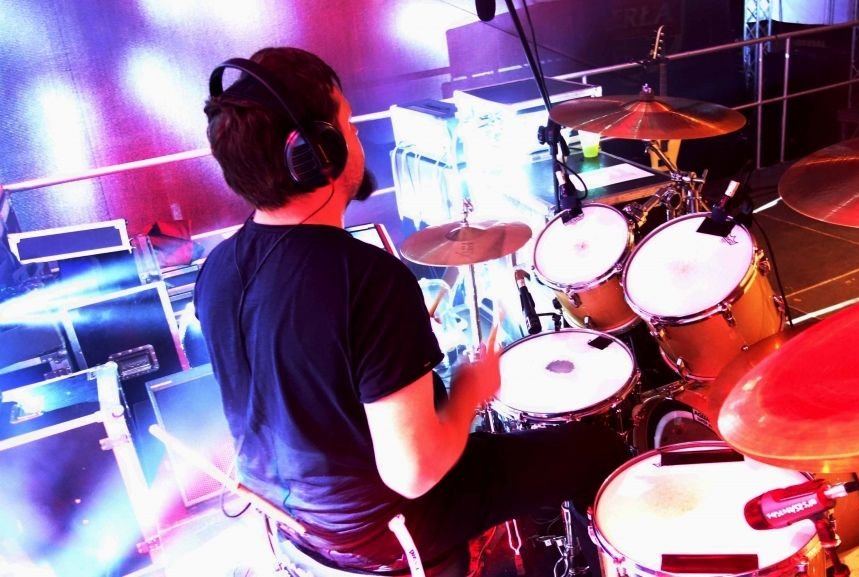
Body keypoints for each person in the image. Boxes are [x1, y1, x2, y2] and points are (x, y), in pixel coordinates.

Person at [194, 47, 630, 574]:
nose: (357, 138)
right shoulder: (365, 278)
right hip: (386, 531)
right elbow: (415, 473)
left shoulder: (218, 269)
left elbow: (299, 365)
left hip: (299, 526)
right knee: (594, 445)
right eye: (348, 125)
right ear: (317, 152)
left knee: (506, 452)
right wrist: (470, 388)